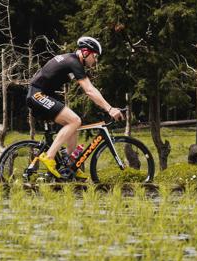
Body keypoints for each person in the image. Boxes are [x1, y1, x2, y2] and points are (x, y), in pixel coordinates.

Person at [25, 36, 124, 179]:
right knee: (74, 121)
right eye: (95, 56)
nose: (95, 60)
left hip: (44, 95)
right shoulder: (73, 62)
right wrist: (110, 109)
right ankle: (49, 157)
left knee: (74, 123)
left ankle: (71, 166)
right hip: (37, 95)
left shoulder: (72, 61)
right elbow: (89, 90)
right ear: (85, 52)